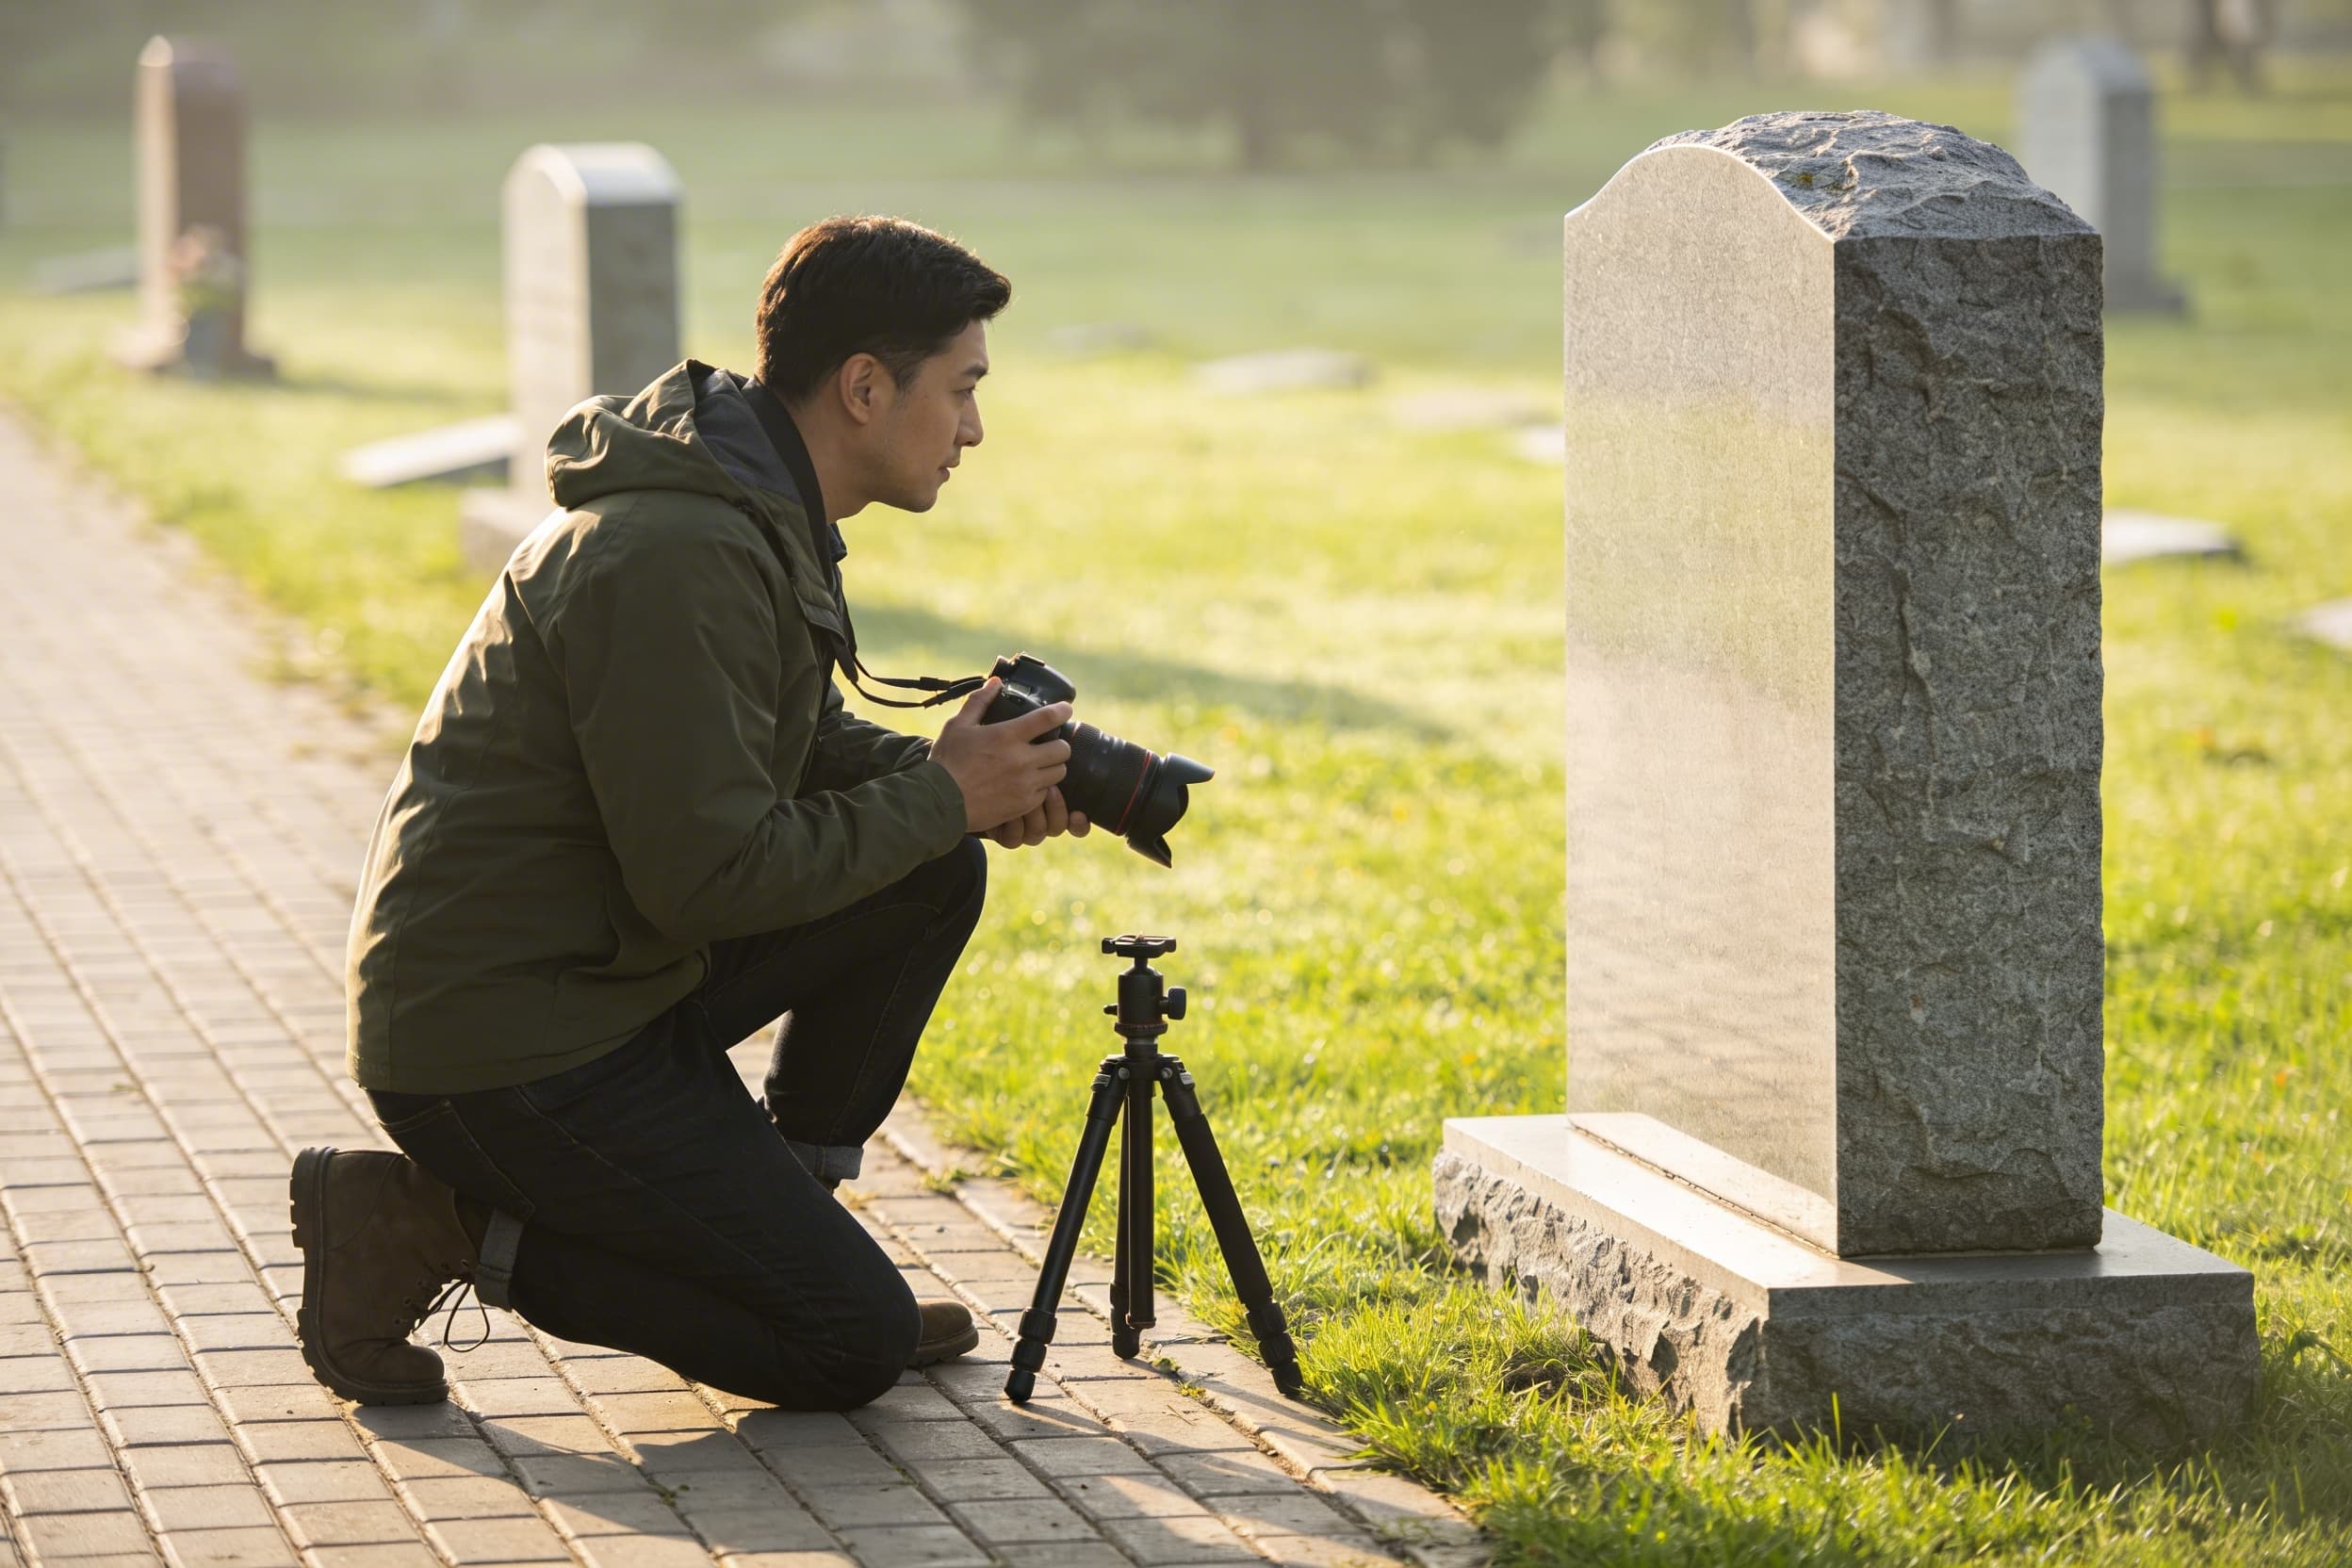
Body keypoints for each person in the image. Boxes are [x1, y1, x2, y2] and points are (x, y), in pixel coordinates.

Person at [293, 217, 1086, 1410]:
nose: (975, 427)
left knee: (928, 867)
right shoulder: (678, 551)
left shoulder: (746, 503)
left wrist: (970, 778)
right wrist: (938, 796)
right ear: (866, 387)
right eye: (964, 389)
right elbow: (708, 880)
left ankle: (781, 1231)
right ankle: (418, 1222)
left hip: (600, 977)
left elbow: (798, 740)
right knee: (844, 1344)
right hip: (504, 1050)